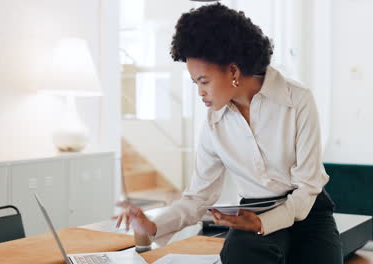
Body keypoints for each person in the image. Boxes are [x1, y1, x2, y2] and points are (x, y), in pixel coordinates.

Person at [116, 3, 343, 264]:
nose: (200, 92)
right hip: (251, 212)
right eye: (196, 83)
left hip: (308, 210)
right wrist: (153, 224)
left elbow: (307, 188)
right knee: (238, 255)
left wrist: (264, 222)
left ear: (233, 71)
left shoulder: (297, 100)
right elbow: (198, 198)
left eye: (204, 82)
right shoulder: (214, 124)